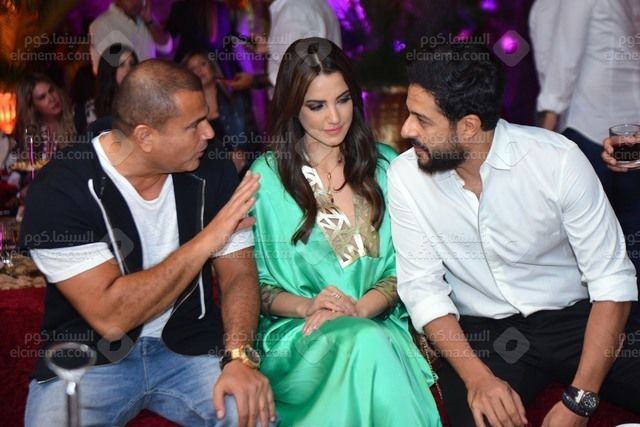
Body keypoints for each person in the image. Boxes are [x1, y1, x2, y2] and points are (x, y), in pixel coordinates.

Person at [388, 41, 640, 427]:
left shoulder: (556, 160)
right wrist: (477, 380)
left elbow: (612, 281)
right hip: (485, 334)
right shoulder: (406, 177)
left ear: (468, 126)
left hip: (574, 320)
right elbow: (422, 289)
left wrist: (581, 399)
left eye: (422, 120)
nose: (406, 130)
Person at [19, 59, 275, 427]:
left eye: (206, 118)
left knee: (252, 417)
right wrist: (208, 240)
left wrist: (238, 357)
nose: (208, 132)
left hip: (190, 348)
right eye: (193, 125)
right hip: (91, 358)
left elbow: (238, 274)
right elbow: (112, 317)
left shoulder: (211, 165)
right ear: (145, 137)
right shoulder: (60, 191)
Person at [250, 38, 441, 426]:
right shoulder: (267, 178)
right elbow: (257, 288)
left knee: (368, 340)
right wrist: (309, 306)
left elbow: (408, 268)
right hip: (301, 334)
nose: (334, 117)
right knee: (366, 343)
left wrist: (360, 310)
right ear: (292, 107)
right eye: (316, 106)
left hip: (380, 325)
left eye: (343, 99)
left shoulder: (385, 166)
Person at [530, 0, 640, 304]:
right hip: (630, 125)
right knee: (629, 230)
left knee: (592, 241)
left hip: (589, 124)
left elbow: (563, 63)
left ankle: (610, 322)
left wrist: (544, 137)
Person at [183, 51, 259, 174]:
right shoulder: (187, 112)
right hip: (211, 173)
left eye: (203, 64)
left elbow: (254, 136)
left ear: (212, 67)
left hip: (245, 169)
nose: (199, 70)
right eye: (193, 69)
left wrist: (243, 154)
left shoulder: (236, 98)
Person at [89, 0, 172, 75]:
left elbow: (166, 47)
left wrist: (149, 21)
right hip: (131, 86)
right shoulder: (102, 25)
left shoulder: (145, 18)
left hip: (151, 83)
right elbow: (103, 73)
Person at [15, 72, 76, 150]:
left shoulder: (77, 118)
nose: (52, 99)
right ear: (33, 107)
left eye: (51, 91)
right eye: (42, 97)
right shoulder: (32, 135)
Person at [95, 43, 139, 119]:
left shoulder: (142, 100)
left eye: (131, 64)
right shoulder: (93, 109)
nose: (128, 70)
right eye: (121, 65)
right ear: (110, 70)